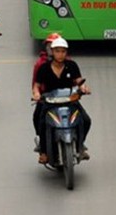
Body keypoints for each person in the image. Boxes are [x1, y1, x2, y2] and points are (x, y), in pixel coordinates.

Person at [32, 36, 91, 164]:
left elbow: (78, 80)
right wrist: (36, 94)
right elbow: (36, 85)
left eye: (63, 51)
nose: (60, 54)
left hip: (69, 100)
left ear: (66, 52)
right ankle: (43, 151)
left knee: (85, 120)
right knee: (39, 120)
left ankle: (80, 146)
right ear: (52, 52)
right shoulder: (44, 68)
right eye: (57, 51)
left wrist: (83, 87)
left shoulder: (72, 65)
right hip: (50, 101)